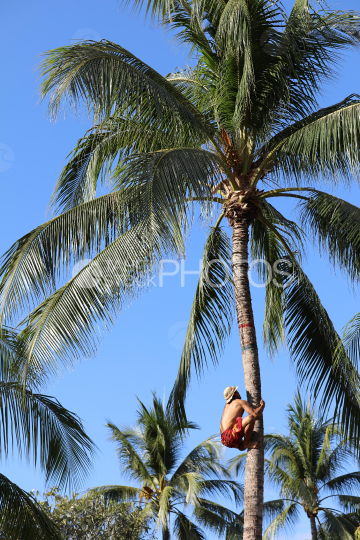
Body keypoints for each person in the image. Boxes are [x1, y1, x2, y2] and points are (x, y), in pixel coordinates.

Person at [220, 385, 265, 450]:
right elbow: (256, 414)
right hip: (231, 435)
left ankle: (242, 444)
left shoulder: (226, 406)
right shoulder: (239, 402)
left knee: (241, 446)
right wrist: (262, 406)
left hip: (224, 440)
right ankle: (247, 443)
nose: (239, 392)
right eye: (237, 391)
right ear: (235, 393)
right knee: (250, 418)